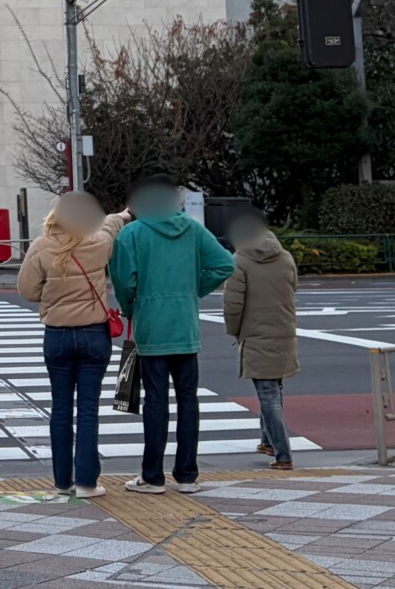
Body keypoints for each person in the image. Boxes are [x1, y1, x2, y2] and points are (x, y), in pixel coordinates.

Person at [106, 173, 234, 493]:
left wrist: (131, 306)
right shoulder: (192, 229)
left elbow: (123, 282)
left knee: (156, 401)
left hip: (151, 326)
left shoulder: (132, 233)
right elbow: (224, 265)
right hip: (185, 325)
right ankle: (187, 475)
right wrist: (193, 290)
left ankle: (152, 476)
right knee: (188, 400)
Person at [16, 189, 117, 498]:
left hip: (57, 336)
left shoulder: (42, 247)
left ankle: (62, 482)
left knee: (60, 409)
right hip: (94, 335)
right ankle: (87, 483)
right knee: (88, 409)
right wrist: (121, 215)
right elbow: (111, 227)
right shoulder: (99, 242)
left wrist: (53, 294)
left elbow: (27, 291)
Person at [221, 213, 300, 471]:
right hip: (284, 331)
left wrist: (234, 331)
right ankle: (267, 441)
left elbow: (233, 304)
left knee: (268, 394)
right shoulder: (286, 257)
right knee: (275, 387)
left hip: (256, 333)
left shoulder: (240, 261)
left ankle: (283, 453)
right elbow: (294, 287)